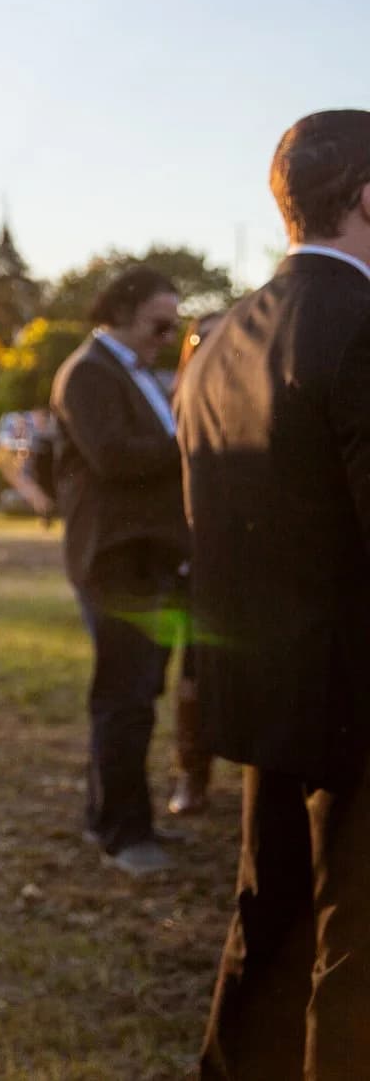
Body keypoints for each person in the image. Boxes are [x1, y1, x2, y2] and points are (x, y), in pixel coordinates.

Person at [182, 110, 370, 1078]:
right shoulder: (361, 323)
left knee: (270, 917)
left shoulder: (218, 337)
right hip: (355, 693)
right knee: (355, 953)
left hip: (266, 687)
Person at [50, 265, 186, 876]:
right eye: (162, 322)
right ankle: (124, 834)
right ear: (127, 308)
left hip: (148, 557)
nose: (168, 335)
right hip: (113, 558)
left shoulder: (136, 375)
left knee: (139, 693)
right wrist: (195, 439)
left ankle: (109, 815)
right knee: (124, 697)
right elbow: (112, 457)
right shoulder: (87, 374)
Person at [165, 310, 225, 816]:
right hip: (195, 548)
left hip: (249, 545)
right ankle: (191, 771)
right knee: (195, 666)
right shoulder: (177, 399)